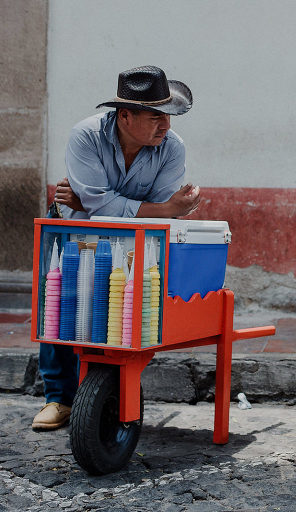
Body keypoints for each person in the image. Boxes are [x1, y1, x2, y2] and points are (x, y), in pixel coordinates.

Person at [33, 65, 201, 430]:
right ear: (125, 115)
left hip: (131, 239)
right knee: (60, 301)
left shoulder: (172, 148)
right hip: (72, 230)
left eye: (168, 116)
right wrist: (162, 208)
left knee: (118, 305)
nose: (166, 126)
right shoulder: (85, 136)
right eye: (156, 116)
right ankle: (58, 398)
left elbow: (144, 215)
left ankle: (100, 393)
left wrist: (98, 203)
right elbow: (158, 207)